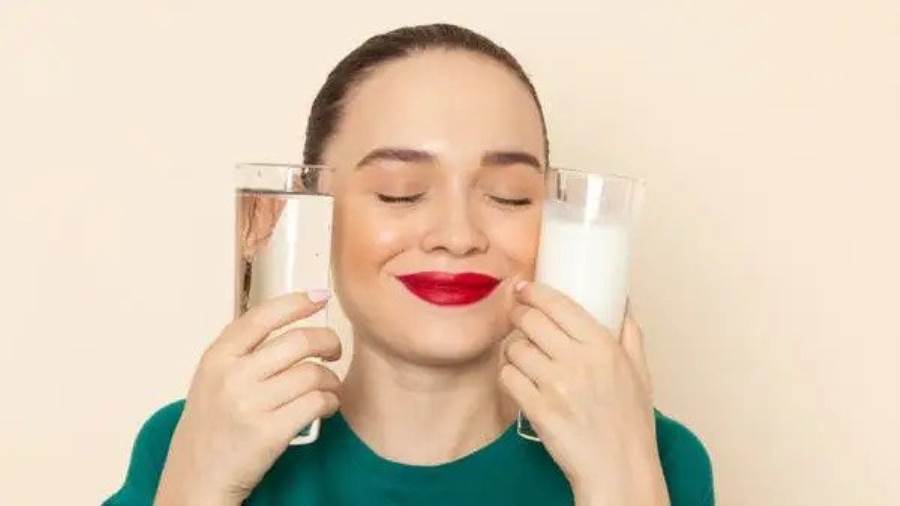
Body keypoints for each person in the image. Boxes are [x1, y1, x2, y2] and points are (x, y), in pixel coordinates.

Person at [104, 23, 714, 506]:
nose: (458, 236)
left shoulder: (656, 455)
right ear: (317, 212)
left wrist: (620, 483)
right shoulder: (194, 439)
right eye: (400, 192)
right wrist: (196, 490)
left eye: (508, 196)